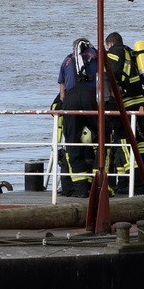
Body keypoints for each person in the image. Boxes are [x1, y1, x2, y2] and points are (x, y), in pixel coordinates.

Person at [105, 32, 144, 194]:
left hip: (125, 104)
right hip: (137, 101)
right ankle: (125, 183)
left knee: (123, 142)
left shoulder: (114, 52)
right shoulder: (130, 52)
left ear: (110, 44)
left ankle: (134, 181)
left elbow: (112, 73)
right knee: (130, 143)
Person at [58, 38, 99, 197]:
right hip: (90, 98)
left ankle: (81, 190)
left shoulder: (66, 61)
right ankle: (99, 185)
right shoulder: (96, 58)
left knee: (72, 144)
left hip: (71, 100)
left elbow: (62, 93)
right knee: (103, 138)